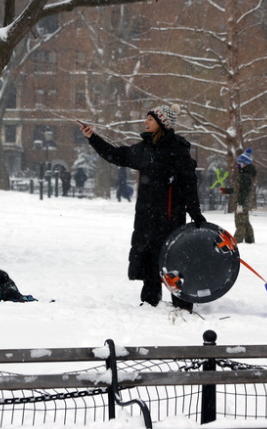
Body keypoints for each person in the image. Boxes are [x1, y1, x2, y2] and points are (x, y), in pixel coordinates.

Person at [79, 104, 206, 311]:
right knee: (149, 259)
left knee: (174, 260)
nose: (145, 122)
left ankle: (182, 305)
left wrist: (195, 212)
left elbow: (188, 183)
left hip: (170, 217)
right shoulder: (144, 149)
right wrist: (93, 137)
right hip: (146, 217)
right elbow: (115, 155)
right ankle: (150, 304)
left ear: (162, 124)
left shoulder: (177, 150)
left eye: (150, 119)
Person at [233, 148, 256, 244]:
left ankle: (237, 239)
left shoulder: (245, 176)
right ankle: (249, 238)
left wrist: (240, 203)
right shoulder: (246, 175)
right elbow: (239, 189)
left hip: (242, 202)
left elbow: (244, 191)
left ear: (245, 163)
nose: (238, 165)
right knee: (244, 219)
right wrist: (227, 190)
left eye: (240, 163)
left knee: (240, 220)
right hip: (244, 201)